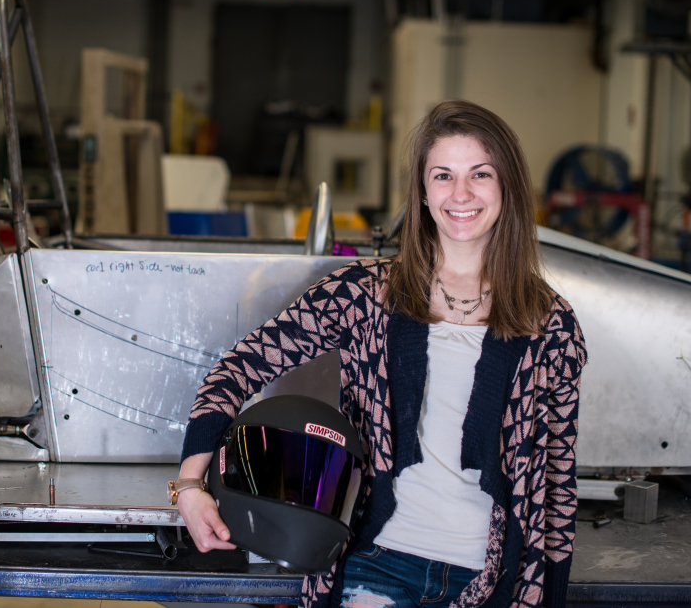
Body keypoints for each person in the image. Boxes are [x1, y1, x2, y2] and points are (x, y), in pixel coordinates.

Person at [176, 100, 587, 608]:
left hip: (491, 581)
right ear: (422, 190)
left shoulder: (551, 325)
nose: (461, 194)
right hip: (377, 566)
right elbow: (239, 367)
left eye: (480, 174)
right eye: (443, 175)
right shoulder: (365, 295)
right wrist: (189, 487)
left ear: (507, 187)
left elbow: (559, 485)